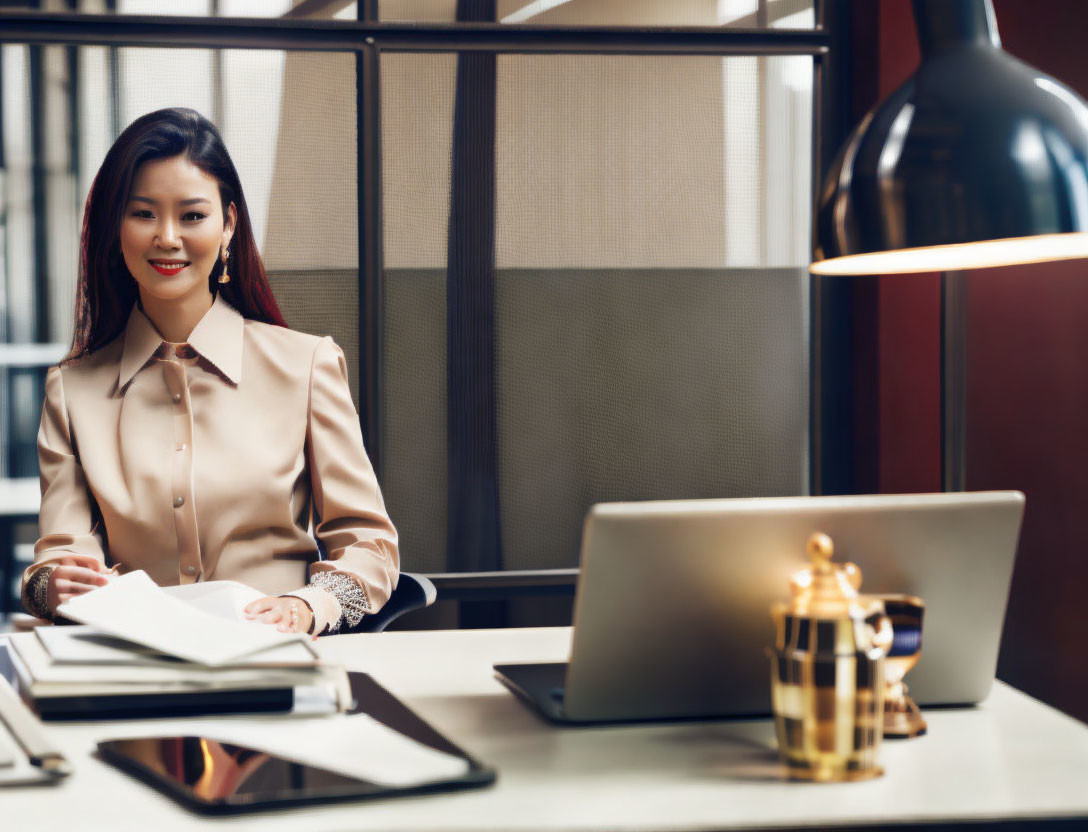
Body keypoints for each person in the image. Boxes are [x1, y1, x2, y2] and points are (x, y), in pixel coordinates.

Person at [20, 107, 398, 636]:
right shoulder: (73, 390)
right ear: (115, 227)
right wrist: (52, 584)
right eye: (144, 214)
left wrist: (307, 606)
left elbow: (368, 546)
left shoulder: (307, 365)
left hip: (273, 660)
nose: (168, 238)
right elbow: (59, 555)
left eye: (192, 215)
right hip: (136, 665)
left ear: (229, 226)